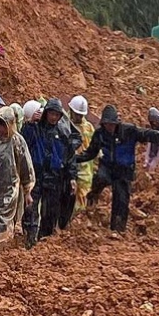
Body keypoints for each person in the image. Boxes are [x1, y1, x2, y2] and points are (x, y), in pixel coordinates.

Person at [76, 105, 159, 234]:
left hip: (124, 171)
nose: (109, 127)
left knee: (121, 200)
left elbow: (146, 133)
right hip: (108, 167)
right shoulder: (100, 134)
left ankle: (117, 230)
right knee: (100, 178)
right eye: (107, 124)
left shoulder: (128, 131)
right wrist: (75, 158)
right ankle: (93, 196)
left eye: (112, 124)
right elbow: (91, 153)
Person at [21, 97, 78, 247]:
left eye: (56, 115)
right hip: (36, 175)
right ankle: (30, 240)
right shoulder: (35, 128)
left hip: (54, 177)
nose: (53, 117)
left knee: (51, 211)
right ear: (45, 113)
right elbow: (24, 143)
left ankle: (44, 240)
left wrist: (72, 177)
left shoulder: (63, 132)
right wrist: (30, 123)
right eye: (51, 113)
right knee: (31, 208)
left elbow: (70, 157)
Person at [0, 104, 35, 249]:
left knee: (1, 218)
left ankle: (1, 251)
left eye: (4, 125)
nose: (0, 129)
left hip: (9, 189)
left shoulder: (17, 141)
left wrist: (27, 191)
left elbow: (26, 166)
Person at [61, 95, 94, 228]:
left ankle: (76, 226)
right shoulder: (64, 124)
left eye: (81, 115)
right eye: (77, 114)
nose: (79, 117)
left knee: (82, 198)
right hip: (67, 167)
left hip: (85, 170)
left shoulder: (89, 128)